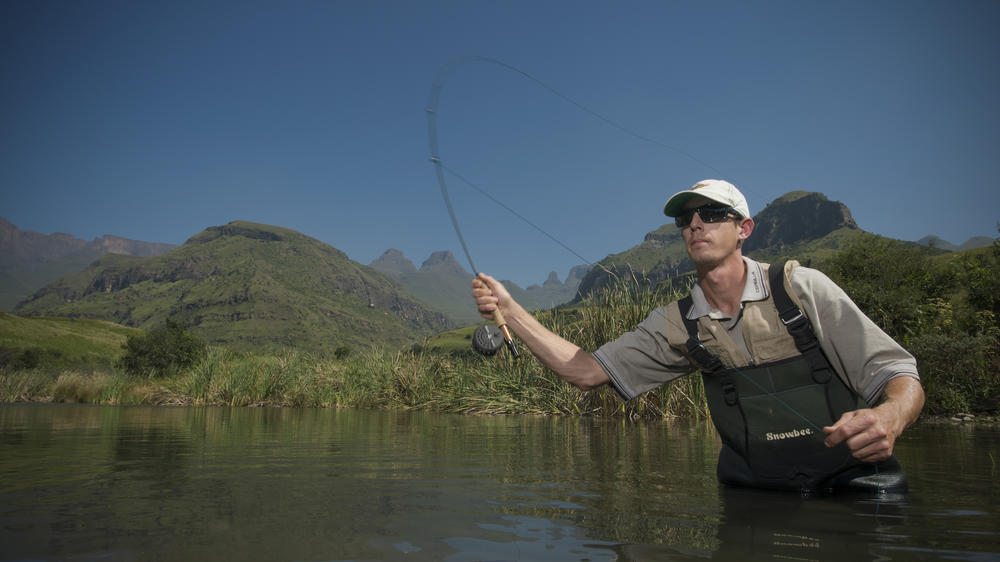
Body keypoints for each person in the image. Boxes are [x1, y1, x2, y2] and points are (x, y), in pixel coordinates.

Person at [471, 179, 925, 492]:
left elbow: (899, 375)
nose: (695, 224)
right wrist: (511, 310)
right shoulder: (676, 323)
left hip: (857, 488)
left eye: (711, 214)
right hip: (752, 496)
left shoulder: (801, 288)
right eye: (686, 219)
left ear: (743, 229)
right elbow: (587, 371)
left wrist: (891, 416)